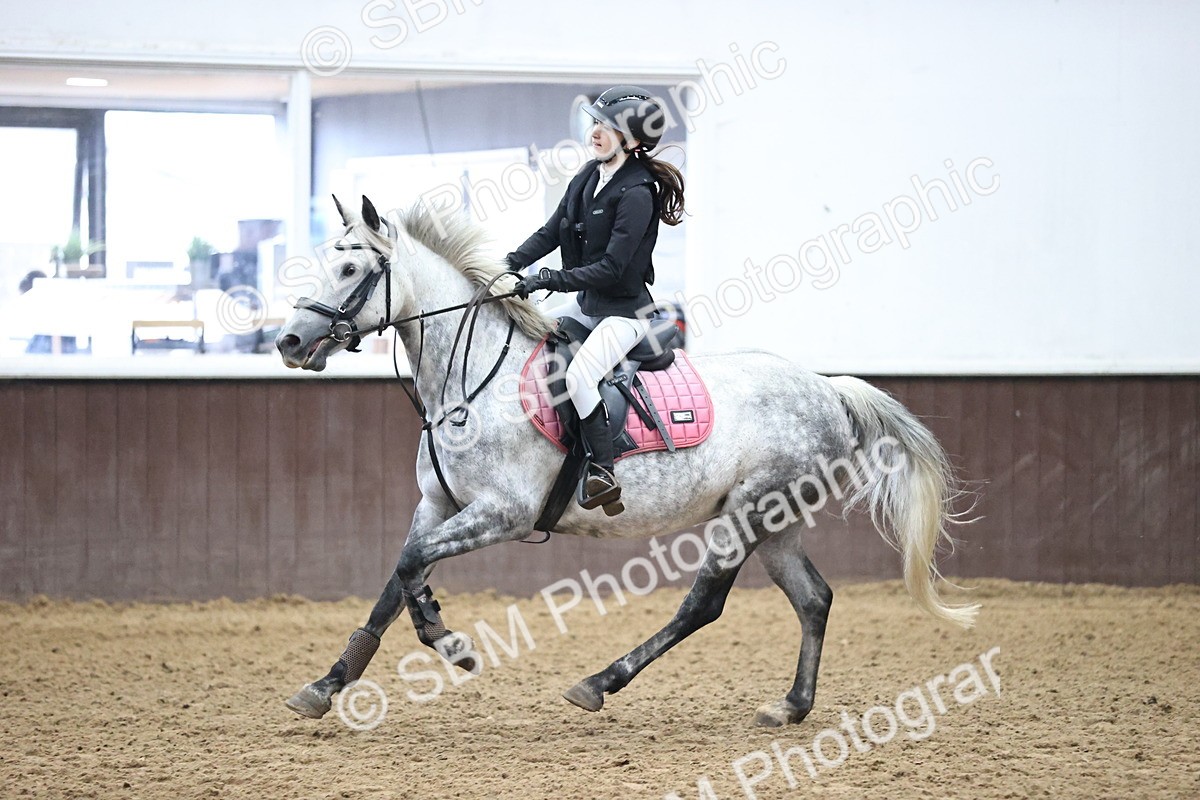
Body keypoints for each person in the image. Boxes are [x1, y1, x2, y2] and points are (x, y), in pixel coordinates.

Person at [506, 86, 686, 515]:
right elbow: (552, 231)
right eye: (597, 122)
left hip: (626, 313)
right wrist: (510, 263)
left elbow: (613, 269)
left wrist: (552, 278)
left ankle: (602, 470)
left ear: (633, 141)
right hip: (587, 306)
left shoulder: (638, 194)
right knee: (528, 334)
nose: (597, 131)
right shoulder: (589, 174)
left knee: (580, 377)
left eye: (608, 126)